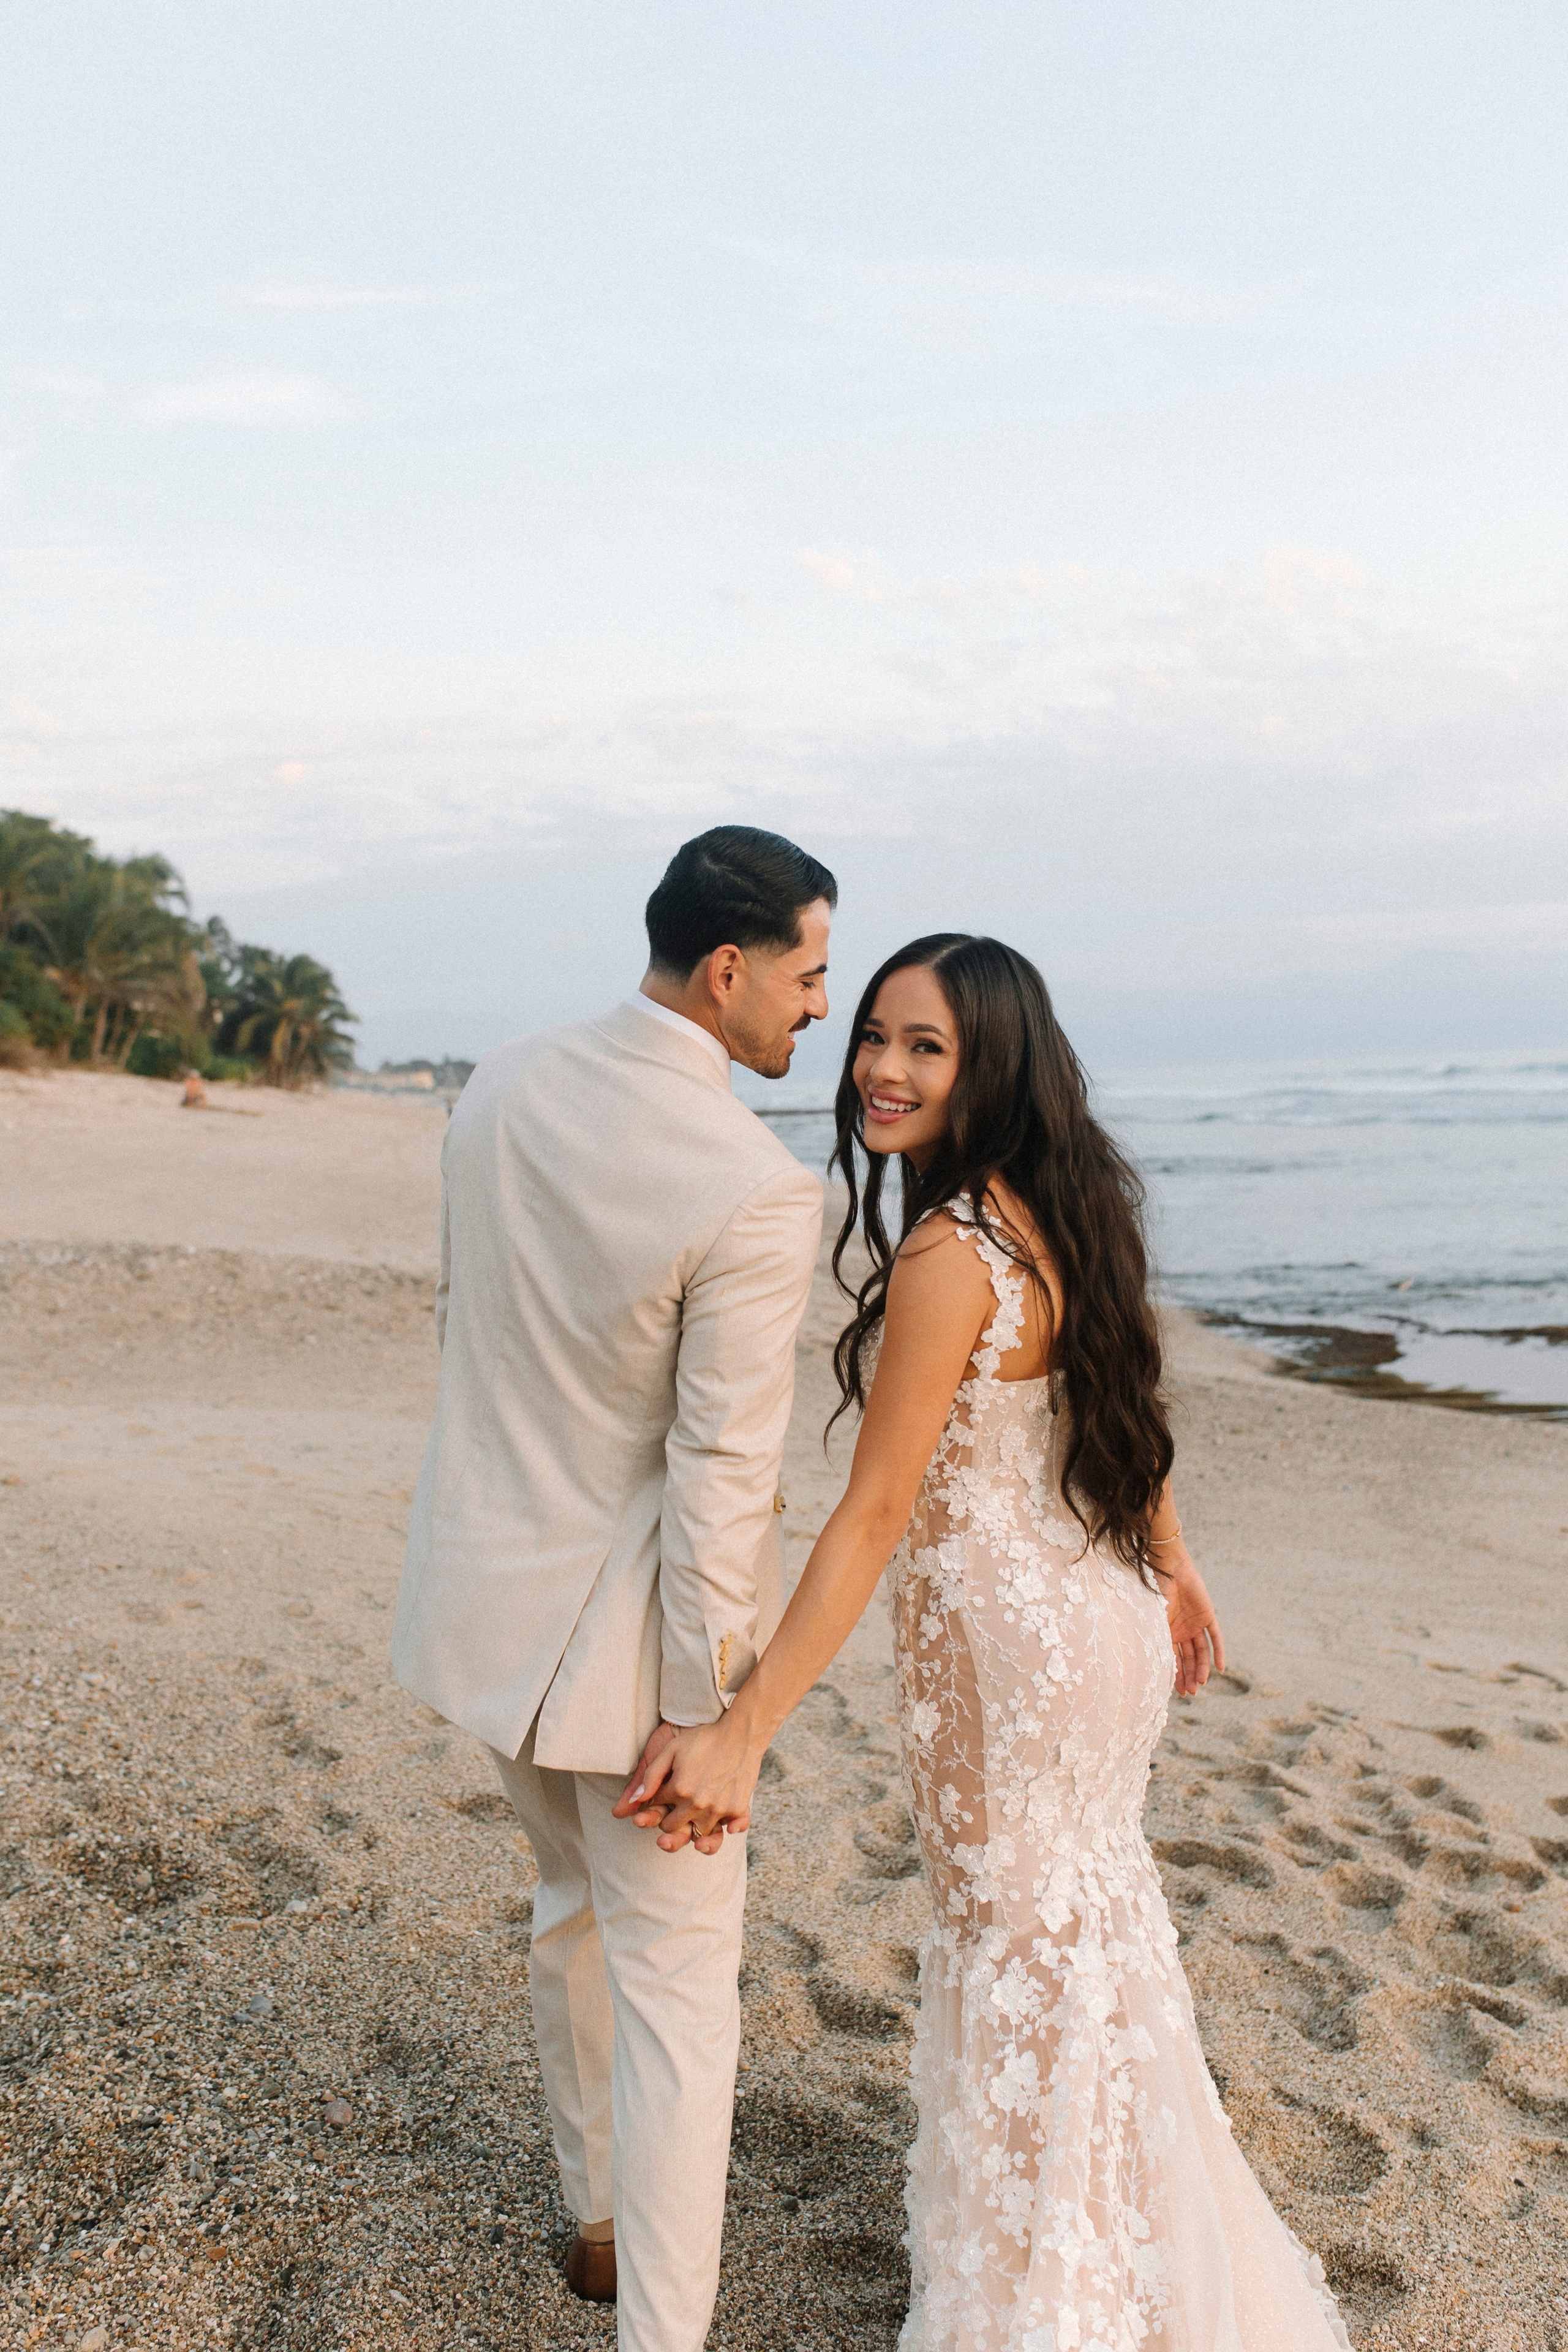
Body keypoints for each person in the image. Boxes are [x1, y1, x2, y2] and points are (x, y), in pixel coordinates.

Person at [617, 933, 1351, 2351]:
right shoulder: (1064, 1210)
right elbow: (1121, 1398)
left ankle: (1047, 2298)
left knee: (1013, 1948)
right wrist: (1175, 1569)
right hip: (1102, 1614)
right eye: (874, 1036)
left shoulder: (953, 1250)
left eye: (925, 1047)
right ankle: (1121, 2255)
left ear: (988, 1066)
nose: (883, 1070)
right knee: (1088, 1933)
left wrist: (740, 1730)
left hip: (1009, 1648)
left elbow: (872, 1513)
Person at [391, 826, 834, 2351]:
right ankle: (661, 2329)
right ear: (729, 970)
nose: (818, 1009)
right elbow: (724, 1477)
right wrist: (715, 1719)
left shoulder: (500, 1080)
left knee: (567, 1907)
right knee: (679, 2001)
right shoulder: (751, 1187)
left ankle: (594, 2220)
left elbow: (475, 1326)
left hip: (480, 1601)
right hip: (633, 1660)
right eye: (809, 973)